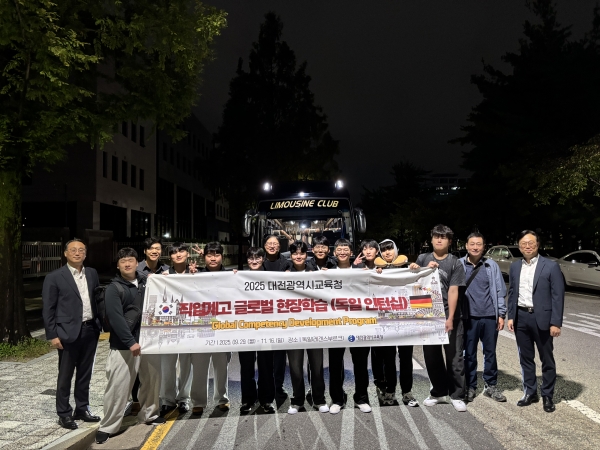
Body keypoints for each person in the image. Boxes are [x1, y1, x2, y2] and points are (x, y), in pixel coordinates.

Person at [95, 248, 163, 444]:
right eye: (123, 261)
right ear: (118, 265)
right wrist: (130, 342)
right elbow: (115, 319)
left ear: (136, 262)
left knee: (151, 381)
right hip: (124, 345)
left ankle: (149, 414)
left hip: (149, 342)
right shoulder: (113, 289)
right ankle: (108, 426)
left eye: (131, 260)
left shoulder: (147, 281)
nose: (127, 264)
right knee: (118, 386)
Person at [42, 238, 101, 430]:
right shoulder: (54, 277)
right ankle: (64, 413)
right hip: (67, 332)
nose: (77, 253)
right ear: (65, 253)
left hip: (90, 329)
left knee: (85, 373)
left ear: (85, 253)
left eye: (81, 250)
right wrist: (52, 334)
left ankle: (82, 408)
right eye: (73, 250)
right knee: (65, 375)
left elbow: (96, 299)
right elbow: (48, 309)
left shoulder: (91, 273)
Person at [409, 224, 467, 412]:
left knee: (454, 357)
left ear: (449, 241)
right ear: (431, 239)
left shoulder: (454, 263)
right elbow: (415, 285)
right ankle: (438, 392)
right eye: (436, 236)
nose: (439, 240)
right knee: (431, 356)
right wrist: (416, 269)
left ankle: (457, 394)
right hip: (428, 315)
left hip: (450, 315)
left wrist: (450, 318)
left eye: (443, 237)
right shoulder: (423, 258)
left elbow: (453, 290)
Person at [507, 230, 565, 413]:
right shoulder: (515, 267)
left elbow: (558, 296)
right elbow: (512, 293)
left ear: (538, 244)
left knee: (546, 359)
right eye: (523, 243)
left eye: (531, 242)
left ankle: (547, 395)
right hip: (521, 317)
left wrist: (556, 322)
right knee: (525, 358)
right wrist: (511, 316)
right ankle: (530, 392)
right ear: (519, 246)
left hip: (543, 319)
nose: (527, 246)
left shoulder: (551, 266)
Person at [459, 232, 507, 403]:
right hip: (469, 317)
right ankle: (470, 386)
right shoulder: (459, 265)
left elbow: (500, 291)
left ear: (484, 246)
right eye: (472, 244)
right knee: (469, 353)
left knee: (490, 352)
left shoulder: (491, 265)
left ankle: (490, 385)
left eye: (479, 244)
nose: (475, 247)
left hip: (489, 316)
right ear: (466, 246)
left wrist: (501, 314)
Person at [325, 239, 372, 413]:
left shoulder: (362, 271)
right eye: (339, 249)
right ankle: (337, 399)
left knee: (360, 363)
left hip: (359, 324)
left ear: (351, 253)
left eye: (346, 249)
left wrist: (375, 273)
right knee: (335, 364)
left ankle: (361, 398)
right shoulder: (327, 272)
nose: (343, 252)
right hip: (335, 324)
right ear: (334, 253)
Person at [371, 239, 418, 407]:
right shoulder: (377, 270)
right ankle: (390, 390)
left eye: (390, 249)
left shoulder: (408, 267)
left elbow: (420, 284)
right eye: (383, 250)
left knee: (406, 358)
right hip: (386, 321)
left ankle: (407, 392)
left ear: (396, 250)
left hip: (406, 321)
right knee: (388, 359)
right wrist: (375, 273)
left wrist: (416, 269)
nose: (387, 252)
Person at [285, 240, 329, 414]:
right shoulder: (283, 273)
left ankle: (319, 399)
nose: (298, 256)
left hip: (314, 325)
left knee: (316, 366)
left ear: (306, 255)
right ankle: (297, 400)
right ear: (290, 255)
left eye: (301, 253)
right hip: (292, 326)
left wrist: (325, 275)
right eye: (295, 253)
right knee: (295, 367)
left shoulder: (315, 271)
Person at [189, 242, 232, 415]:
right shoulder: (195, 275)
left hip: (223, 328)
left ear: (222, 256)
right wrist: (188, 275)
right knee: (199, 366)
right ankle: (198, 401)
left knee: (221, 366)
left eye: (216, 255)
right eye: (209, 255)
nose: (213, 258)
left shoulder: (231, 276)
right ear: (204, 257)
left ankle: (222, 398)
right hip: (201, 327)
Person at [238, 247, 276, 414]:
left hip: (266, 327)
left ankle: (266, 400)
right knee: (246, 366)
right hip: (245, 328)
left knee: (266, 365)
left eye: (257, 258)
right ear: (247, 260)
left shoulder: (271, 277)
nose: (254, 261)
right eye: (251, 258)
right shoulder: (239, 278)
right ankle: (247, 400)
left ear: (263, 259)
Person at [159, 243, 194, 416]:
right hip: (169, 325)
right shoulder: (163, 276)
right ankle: (167, 399)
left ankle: (184, 398)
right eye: (174, 252)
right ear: (170, 257)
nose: (178, 255)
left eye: (181, 251)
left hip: (189, 324)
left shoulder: (196, 274)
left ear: (188, 254)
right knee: (167, 363)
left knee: (186, 363)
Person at [262, 234, 290, 401]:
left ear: (279, 246)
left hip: (281, 315)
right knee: (265, 354)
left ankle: (278, 386)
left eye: (275, 244)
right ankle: (266, 387)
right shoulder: (258, 262)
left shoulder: (287, 264)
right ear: (264, 246)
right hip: (262, 315)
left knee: (279, 355)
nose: (272, 246)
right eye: (269, 243)